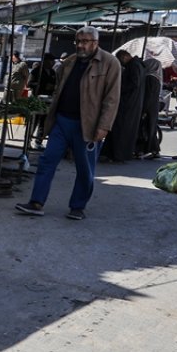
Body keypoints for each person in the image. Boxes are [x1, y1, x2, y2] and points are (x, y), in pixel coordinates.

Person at [15, 26, 120, 220]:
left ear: (95, 43)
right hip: (62, 120)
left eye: (85, 41)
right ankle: (36, 202)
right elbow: (58, 89)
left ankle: (77, 206)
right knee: (47, 161)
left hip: (87, 124)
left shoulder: (109, 63)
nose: (80, 45)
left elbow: (112, 99)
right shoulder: (70, 62)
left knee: (84, 168)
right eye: (77, 41)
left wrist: (104, 126)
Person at [102, 49, 143, 163]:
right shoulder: (136, 65)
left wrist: (119, 89)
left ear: (125, 57)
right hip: (131, 103)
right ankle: (113, 153)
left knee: (120, 129)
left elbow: (134, 83)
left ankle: (117, 154)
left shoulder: (134, 66)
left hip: (127, 104)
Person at [137, 57, 163, 159]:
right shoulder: (156, 78)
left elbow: (148, 96)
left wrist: (144, 110)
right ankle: (154, 150)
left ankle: (145, 150)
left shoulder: (149, 78)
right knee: (150, 129)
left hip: (148, 108)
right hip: (153, 108)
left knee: (145, 129)